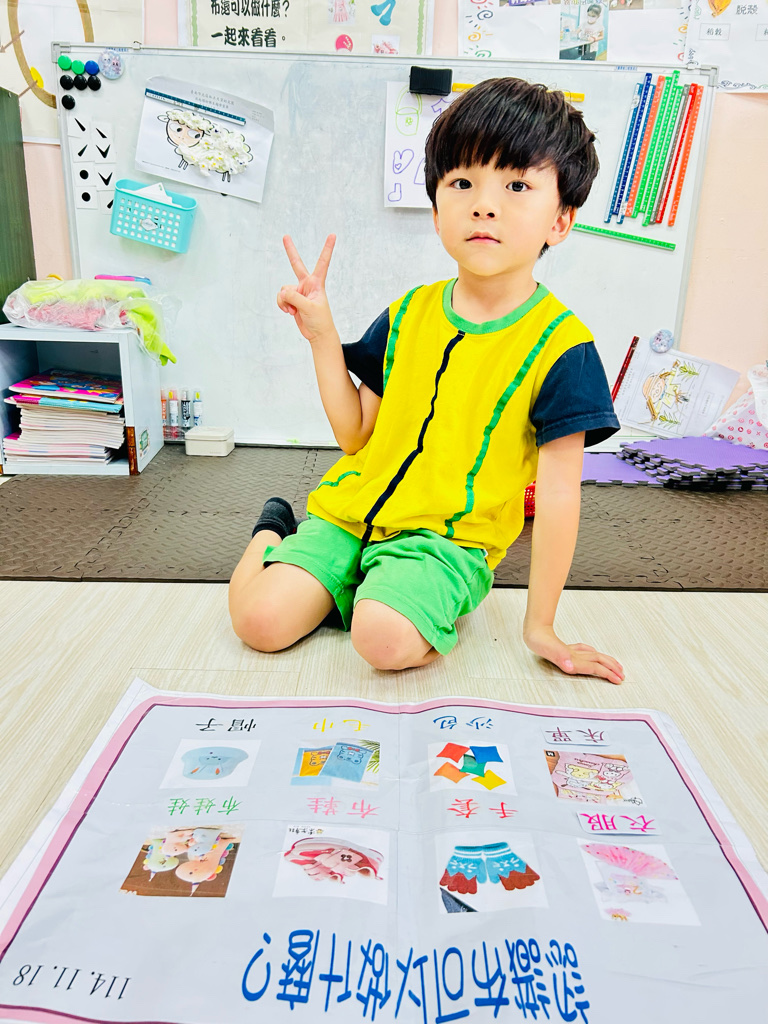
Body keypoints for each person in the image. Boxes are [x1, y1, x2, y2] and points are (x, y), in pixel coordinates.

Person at [229, 77, 624, 684]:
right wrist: (323, 337)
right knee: (258, 623)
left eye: (517, 185)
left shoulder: (563, 349)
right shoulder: (408, 313)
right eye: (462, 183)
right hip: (350, 513)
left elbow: (559, 498)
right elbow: (355, 436)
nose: (484, 205)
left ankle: (386, 594)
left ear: (561, 220)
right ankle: (274, 529)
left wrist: (540, 627)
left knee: (382, 638)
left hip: (444, 541)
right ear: (437, 212)